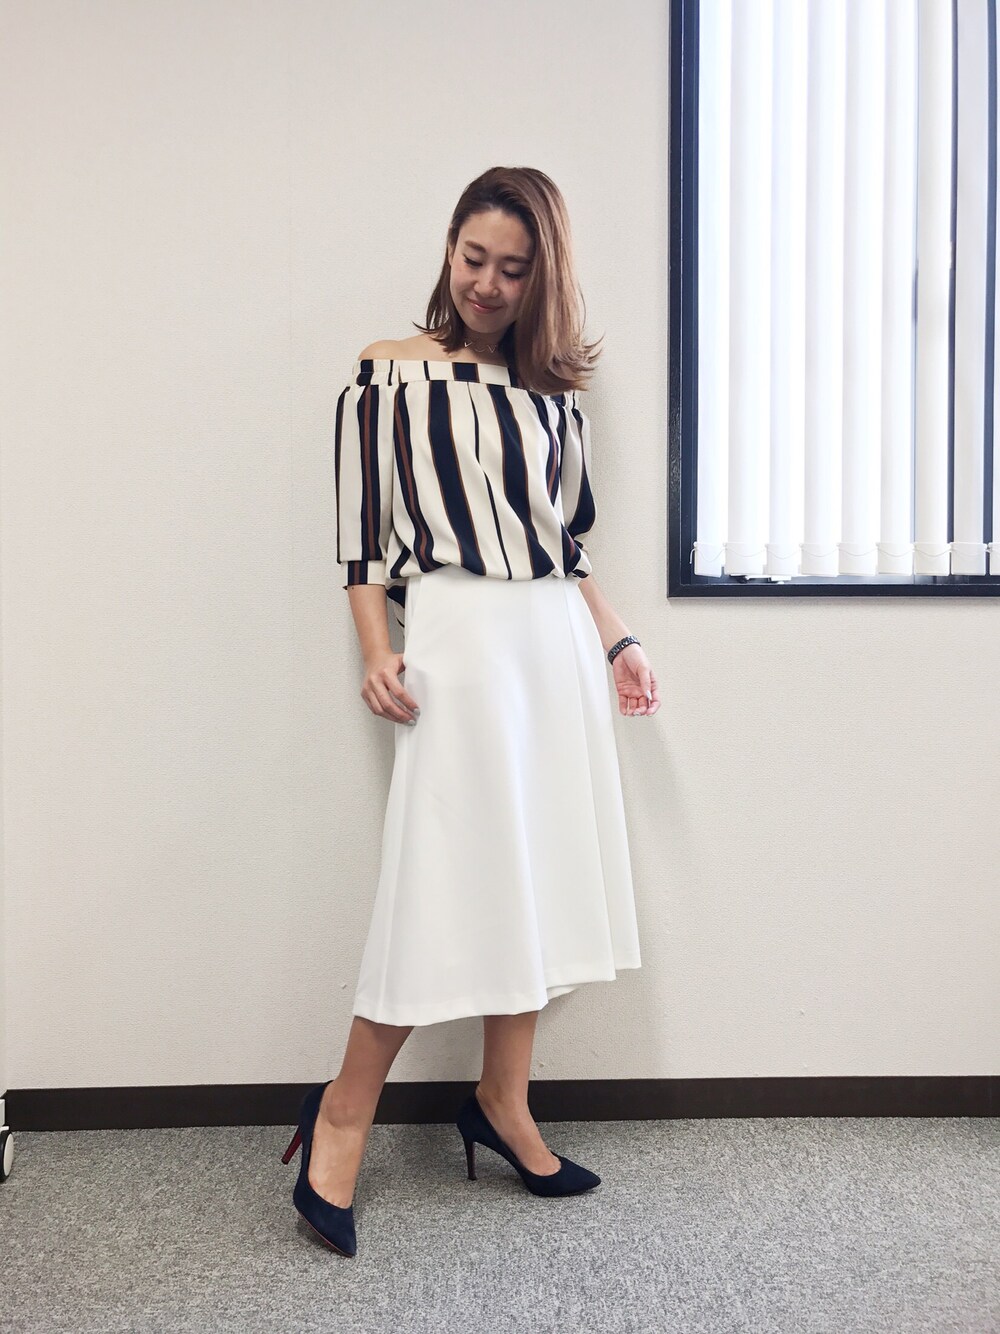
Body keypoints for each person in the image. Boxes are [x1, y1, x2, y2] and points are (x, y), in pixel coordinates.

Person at [281, 166, 660, 1257]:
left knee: (530, 877)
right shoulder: (388, 373)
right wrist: (376, 649)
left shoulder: (552, 392)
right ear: (448, 248)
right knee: (438, 879)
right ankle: (341, 1112)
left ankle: (503, 1101)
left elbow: (562, 544)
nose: (488, 284)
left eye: (514, 268)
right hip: (456, 635)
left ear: (546, 276)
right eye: (474, 258)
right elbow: (362, 538)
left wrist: (617, 639)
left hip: (549, 642)